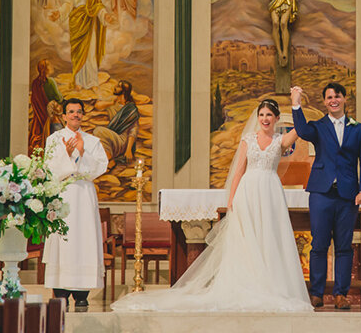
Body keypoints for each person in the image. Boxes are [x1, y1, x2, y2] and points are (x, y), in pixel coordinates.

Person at [112, 98, 312, 312]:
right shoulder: (248, 140)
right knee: (247, 239)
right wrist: (232, 202)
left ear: (276, 119)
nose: (264, 119)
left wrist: (296, 103)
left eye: (269, 115)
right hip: (248, 192)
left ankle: (272, 286)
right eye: (261, 115)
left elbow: (301, 129)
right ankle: (248, 284)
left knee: (270, 237)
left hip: (270, 192)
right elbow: (238, 172)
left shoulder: (280, 141)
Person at [291, 82, 361, 310]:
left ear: (345, 99)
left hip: (348, 195)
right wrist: (296, 106)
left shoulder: (359, 129)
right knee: (318, 244)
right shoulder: (318, 126)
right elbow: (303, 131)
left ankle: (340, 295)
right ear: (325, 102)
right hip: (321, 193)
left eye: (337, 96)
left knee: (344, 246)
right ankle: (316, 294)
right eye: (329, 97)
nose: (333, 100)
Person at [42, 98, 109, 310]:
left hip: (84, 195)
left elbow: (101, 167)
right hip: (63, 194)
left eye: (79, 112)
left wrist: (82, 151)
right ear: (63, 116)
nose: (75, 115)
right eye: (71, 112)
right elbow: (49, 168)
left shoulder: (92, 141)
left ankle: (82, 293)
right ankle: (61, 291)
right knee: (64, 239)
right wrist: (68, 154)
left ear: (83, 115)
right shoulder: (54, 139)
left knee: (84, 239)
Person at [49, 0, 116, 89]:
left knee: (90, 51)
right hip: (77, 20)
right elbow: (69, 3)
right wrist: (59, 13)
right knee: (78, 52)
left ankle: (92, 81)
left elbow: (97, 4)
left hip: (90, 21)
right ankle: (79, 82)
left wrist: (105, 15)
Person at [94, 80, 140, 161]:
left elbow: (133, 131)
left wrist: (128, 150)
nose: (115, 87)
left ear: (124, 91)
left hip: (122, 141)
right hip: (112, 137)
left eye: (118, 86)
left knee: (98, 131)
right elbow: (97, 105)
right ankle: (109, 161)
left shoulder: (130, 109)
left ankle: (109, 160)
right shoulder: (113, 101)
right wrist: (111, 103)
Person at [28, 59, 63, 153]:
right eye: (50, 66)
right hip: (51, 117)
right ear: (46, 68)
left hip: (39, 118)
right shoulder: (50, 81)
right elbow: (58, 98)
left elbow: (34, 101)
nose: (52, 67)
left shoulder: (35, 83)